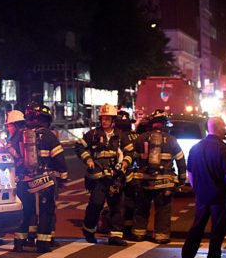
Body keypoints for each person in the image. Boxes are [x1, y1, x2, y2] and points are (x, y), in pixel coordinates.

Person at [181, 117, 226, 258]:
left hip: (202, 195)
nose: (225, 129)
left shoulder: (196, 147)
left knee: (197, 226)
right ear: (219, 128)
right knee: (218, 229)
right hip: (219, 195)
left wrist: (197, 188)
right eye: (224, 126)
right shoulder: (223, 148)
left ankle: (187, 257)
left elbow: (190, 173)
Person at [126, 110, 187, 244]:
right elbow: (181, 161)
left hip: (143, 182)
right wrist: (181, 180)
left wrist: (130, 176)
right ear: (165, 124)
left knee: (141, 208)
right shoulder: (171, 140)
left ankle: (138, 234)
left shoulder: (140, 138)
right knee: (163, 210)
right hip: (164, 184)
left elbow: (129, 156)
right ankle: (161, 236)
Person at [75, 104, 132, 246]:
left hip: (115, 177)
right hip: (98, 178)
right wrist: (88, 159)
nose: (104, 121)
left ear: (113, 120)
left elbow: (130, 152)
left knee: (117, 206)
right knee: (96, 204)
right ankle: (89, 231)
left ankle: (115, 236)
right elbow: (79, 146)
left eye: (107, 119)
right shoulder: (93, 135)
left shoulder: (120, 136)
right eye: (103, 118)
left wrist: (124, 163)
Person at [15, 104, 68, 253]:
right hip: (44, 179)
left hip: (24, 180)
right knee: (46, 211)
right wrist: (63, 176)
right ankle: (43, 244)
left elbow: (12, 155)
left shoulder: (20, 134)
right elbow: (59, 158)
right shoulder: (48, 135)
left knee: (25, 210)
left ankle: (19, 242)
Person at [6, 110, 38, 251]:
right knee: (30, 208)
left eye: (9, 125)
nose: (8, 128)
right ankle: (31, 238)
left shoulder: (15, 138)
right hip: (30, 177)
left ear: (13, 124)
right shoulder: (28, 133)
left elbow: (14, 158)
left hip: (20, 178)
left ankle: (19, 242)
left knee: (21, 209)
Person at [114, 110, 140, 239]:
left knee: (117, 202)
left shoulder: (114, 137)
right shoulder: (136, 136)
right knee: (130, 202)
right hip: (134, 174)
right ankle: (128, 228)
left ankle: (119, 227)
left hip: (120, 174)